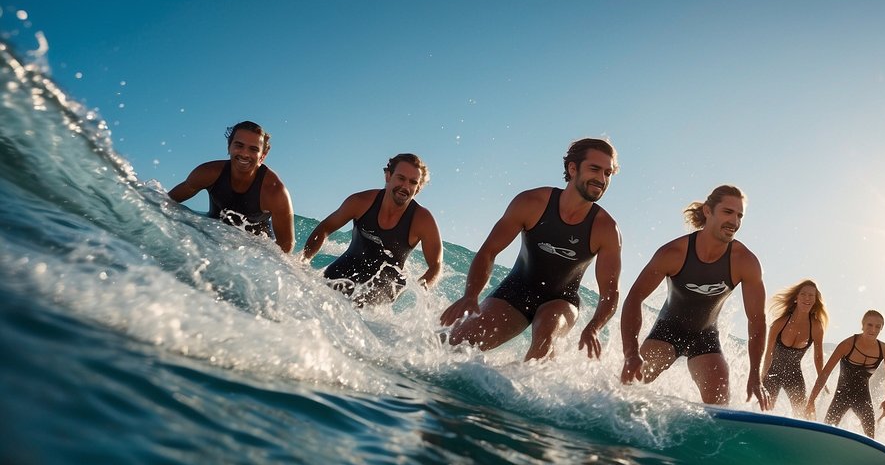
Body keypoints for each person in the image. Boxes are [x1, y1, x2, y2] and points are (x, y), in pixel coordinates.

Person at [439, 138, 621, 360]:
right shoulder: (532, 203)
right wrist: (471, 295)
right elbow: (489, 251)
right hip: (515, 292)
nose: (602, 179)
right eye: (595, 169)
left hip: (561, 301)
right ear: (573, 168)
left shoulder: (605, 228)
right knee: (452, 346)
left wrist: (594, 326)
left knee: (546, 337)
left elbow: (610, 292)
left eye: (608, 173)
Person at [620, 185, 769, 408]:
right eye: (728, 212)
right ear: (708, 211)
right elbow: (635, 297)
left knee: (719, 404)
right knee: (629, 388)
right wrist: (631, 353)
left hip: (705, 337)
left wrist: (755, 375)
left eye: (740, 216)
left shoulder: (744, 262)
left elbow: (757, 320)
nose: (735, 222)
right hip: (667, 331)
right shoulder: (674, 253)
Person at [300, 154, 443, 306]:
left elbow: (435, 265)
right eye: (401, 178)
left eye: (413, 182)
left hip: (381, 289)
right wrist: (303, 261)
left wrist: (419, 291)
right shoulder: (360, 202)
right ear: (388, 176)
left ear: (418, 188)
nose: (406, 187)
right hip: (343, 271)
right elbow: (325, 228)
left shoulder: (423, 220)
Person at [168, 121, 295, 253]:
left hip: (254, 252)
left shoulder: (274, 192)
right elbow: (166, 201)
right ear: (229, 147)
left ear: (263, 155)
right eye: (239, 145)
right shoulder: (207, 173)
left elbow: (286, 247)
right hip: (212, 234)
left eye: (253, 149)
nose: (245, 154)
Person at [805, 310, 885, 437]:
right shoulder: (847, 344)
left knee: (870, 436)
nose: (873, 329)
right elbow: (825, 373)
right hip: (842, 395)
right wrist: (811, 400)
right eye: (869, 325)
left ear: (881, 329)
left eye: (877, 327)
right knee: (826, 434)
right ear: (862, 325)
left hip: (863, 397)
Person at [758, 280, 827, 416]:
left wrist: (821, 379)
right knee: (763, 411)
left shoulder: (816, 326)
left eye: (811, 296)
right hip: (773, 373)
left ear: (815, 300)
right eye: (803, 294)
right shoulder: (780, 323)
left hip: (794, 375)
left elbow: (818, 357)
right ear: (796, 298)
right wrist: (761, 377)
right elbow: (768, 354)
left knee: (805, 414)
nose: (807, 298)